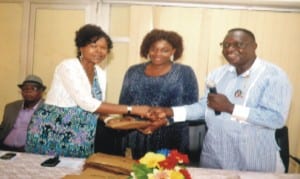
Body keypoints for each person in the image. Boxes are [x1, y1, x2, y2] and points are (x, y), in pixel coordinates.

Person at [150, 28, 292, 172]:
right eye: (225, 45)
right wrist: (170, 111)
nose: (230, 49)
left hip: (254, 161)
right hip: (215, 157)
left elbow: (275, 118)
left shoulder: (273, 76)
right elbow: (204, 107)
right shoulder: (217, 74)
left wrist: (231, 108)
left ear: (254, 46)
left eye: (238, 44)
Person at [25, 24, 149, 158]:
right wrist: (132, 109)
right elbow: (86, 102)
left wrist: (116, 120)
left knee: (76, 172)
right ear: (81, 47)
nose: (99, 51)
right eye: (93, 46)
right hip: (52, 129)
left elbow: (97, 106)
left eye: (103, 48)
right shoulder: (68, 66)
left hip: (81, 133)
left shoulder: (100, 73)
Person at [95, 29, 199, 159]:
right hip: (137, 135)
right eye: (153, 49)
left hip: (171, 136)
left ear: (173, 51)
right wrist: (131, 122)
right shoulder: (133, 71)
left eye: (164, 50)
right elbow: (125, 104)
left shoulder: (184, 72)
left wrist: (165, 121)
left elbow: (191, 107)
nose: (157, 54)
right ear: (147, 49)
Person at [0, 74, 46, 152]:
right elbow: (3, 129)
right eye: (25, 89)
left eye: (33, 88)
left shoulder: (48, 109)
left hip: (29, 151)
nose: (28, 91)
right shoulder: (10, 107)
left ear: (41, 91)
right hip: (3, 148)